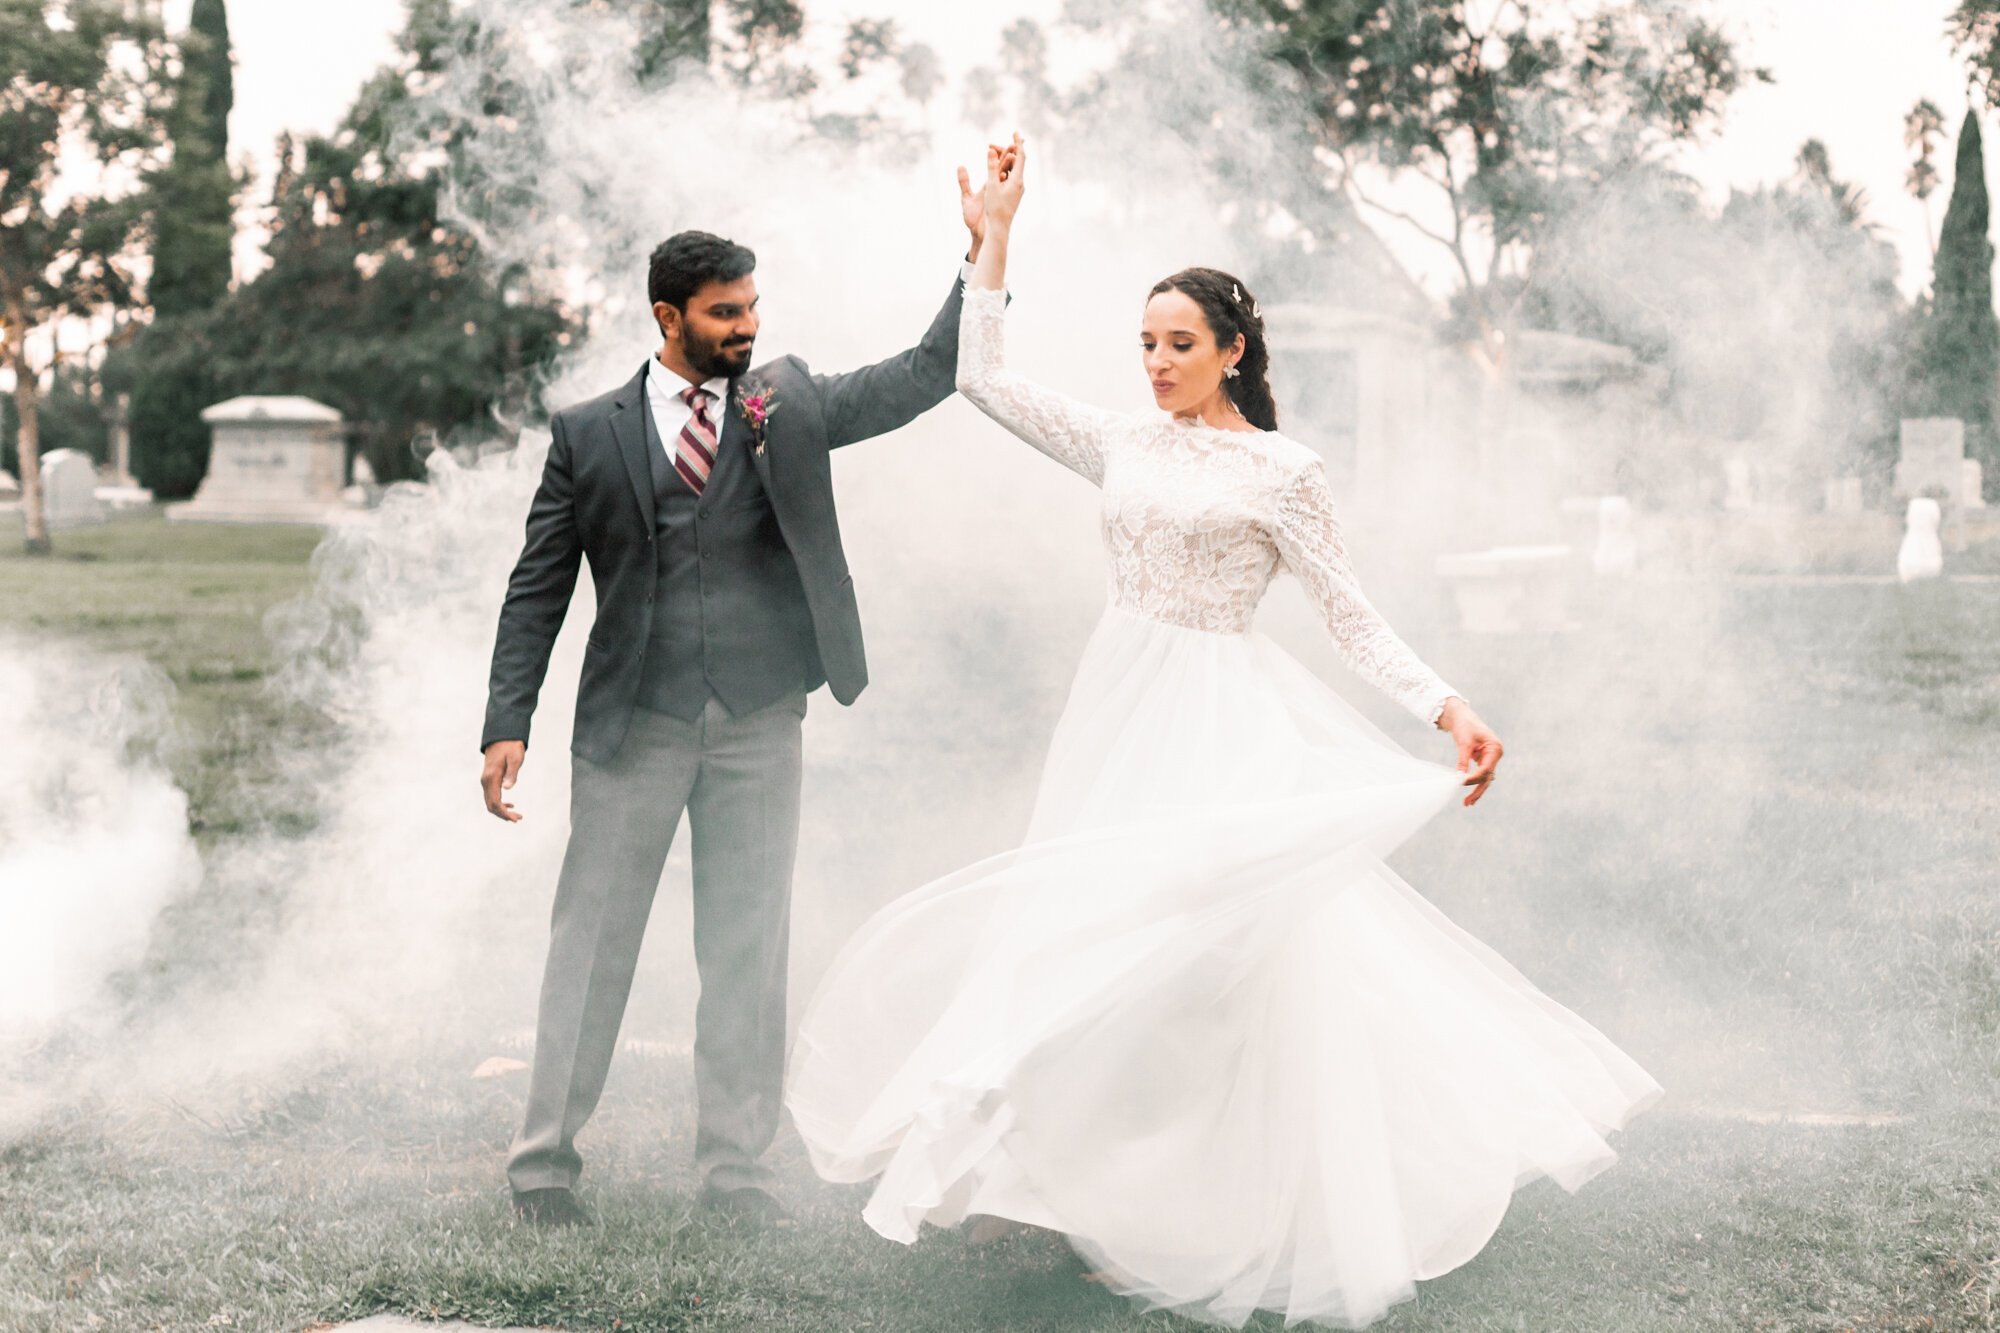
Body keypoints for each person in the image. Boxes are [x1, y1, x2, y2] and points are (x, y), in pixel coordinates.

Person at [785, 135, 1663, 1329]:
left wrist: (1448, 706)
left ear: (1232, 354)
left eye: (1178, 346)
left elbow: (1348, 617)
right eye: (1144, 345)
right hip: (1117, 708)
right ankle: (1067, 1183)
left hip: (1220, 719)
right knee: (1086, 942)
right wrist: (995, 235)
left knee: (1206, 960)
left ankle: (1207, 1205)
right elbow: (981, 380)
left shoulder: (1285, 475)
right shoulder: (1120, 439)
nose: (1154, 365)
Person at [478, 166, 1008, 1229]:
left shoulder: (787, 401)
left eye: (753, 308)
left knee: (745, 945)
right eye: (726, 313)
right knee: (590, 944)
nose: (747, 327)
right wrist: (507, 722)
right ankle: (544, 1162)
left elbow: (925, 371)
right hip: (632, 725)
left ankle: (734, 1169)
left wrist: (985, 246)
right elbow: (538, 583)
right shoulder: (587, 433)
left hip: (761, 722)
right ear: (668, 316)